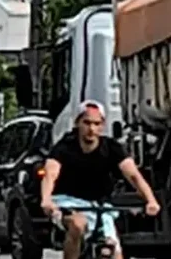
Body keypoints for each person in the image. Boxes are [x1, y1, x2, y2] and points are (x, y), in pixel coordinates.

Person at [41, 100, 161, 259]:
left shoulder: (111, 147)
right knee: (78, 224)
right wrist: (46, 199)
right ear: (77, 123)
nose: (91, 129)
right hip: (68, 203)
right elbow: (51, 174)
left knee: (113, 249)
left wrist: (151, 200)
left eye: (97, 124)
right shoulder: (64, 147)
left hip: (100, 206)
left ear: (103, 125)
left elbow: (133, 175)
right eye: (87, 123)